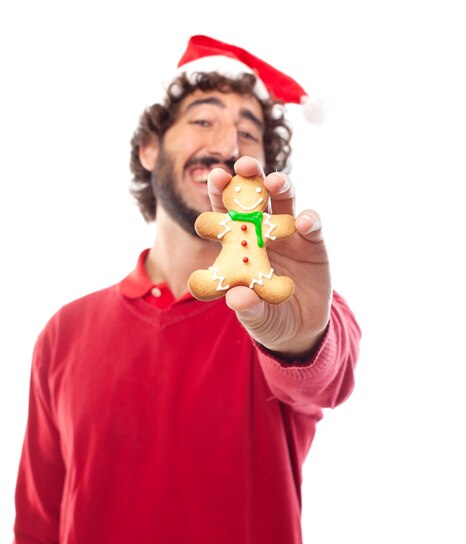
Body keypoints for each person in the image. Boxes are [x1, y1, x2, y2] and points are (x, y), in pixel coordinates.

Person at [14, 35, 360, 544]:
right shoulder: (63, 332)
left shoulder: (286, 306)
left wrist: (299, 342)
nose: (227, 146)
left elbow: (325, 377)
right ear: (150, 149)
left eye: (250, 132)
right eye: (204, 120)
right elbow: (39, 519)